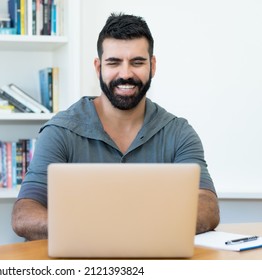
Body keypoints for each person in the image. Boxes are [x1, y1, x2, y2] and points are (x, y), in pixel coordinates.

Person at [11, 12, 220, 241]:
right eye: (114, 62)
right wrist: (98, 230)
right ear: (98, 67)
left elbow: (207, 206)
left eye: (137, 62)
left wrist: (132, 228)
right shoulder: (60, 131)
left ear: (153, 65)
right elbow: (24, 214)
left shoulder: (179, 133)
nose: (126, 74)